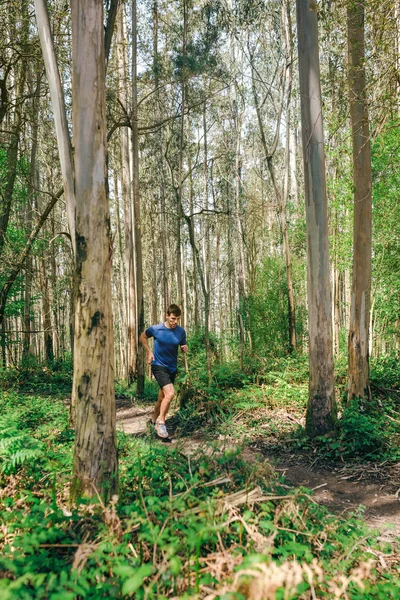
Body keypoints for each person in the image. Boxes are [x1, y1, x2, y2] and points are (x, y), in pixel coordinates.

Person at [140, 304, 188, 441]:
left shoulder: (180, 332)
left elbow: (182, 344)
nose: (175, 322)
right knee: (170, 393)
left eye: (178, 319)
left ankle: (153, 421)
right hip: (158, 365)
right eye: (173, 318)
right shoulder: (156, 329)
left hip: (172, 368)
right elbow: (142, 337)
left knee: (162, 397)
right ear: (167, 316)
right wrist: (149, 352)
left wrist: (184, 347)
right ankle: (161, 422)